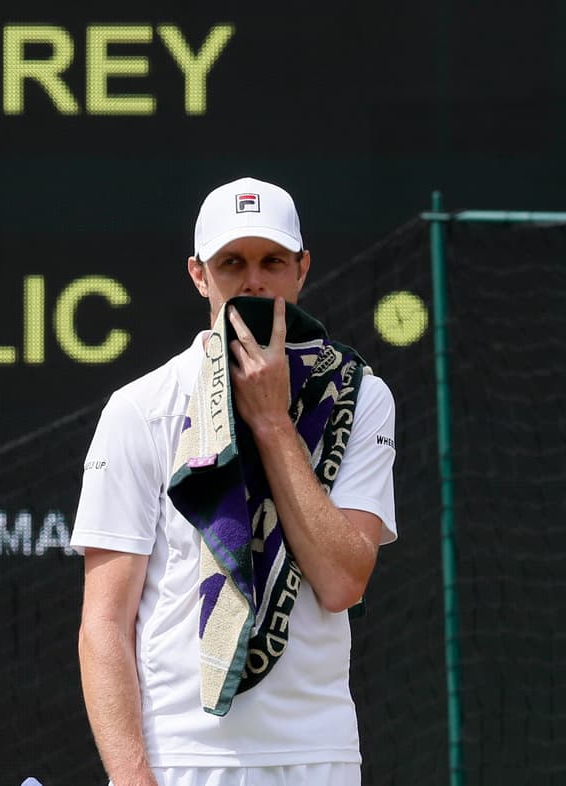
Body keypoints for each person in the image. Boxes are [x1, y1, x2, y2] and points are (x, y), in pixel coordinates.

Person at [70, 177, 397, 786]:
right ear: (199, 275)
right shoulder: (140, 409)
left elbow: (342, 580)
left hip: (318, 754)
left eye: (272, 261)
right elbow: (103, 624)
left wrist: (273, 422)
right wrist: (131, 777)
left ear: (302, 270)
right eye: (232, 263)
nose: (253, 282)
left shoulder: (360, 397)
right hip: (184, 760)